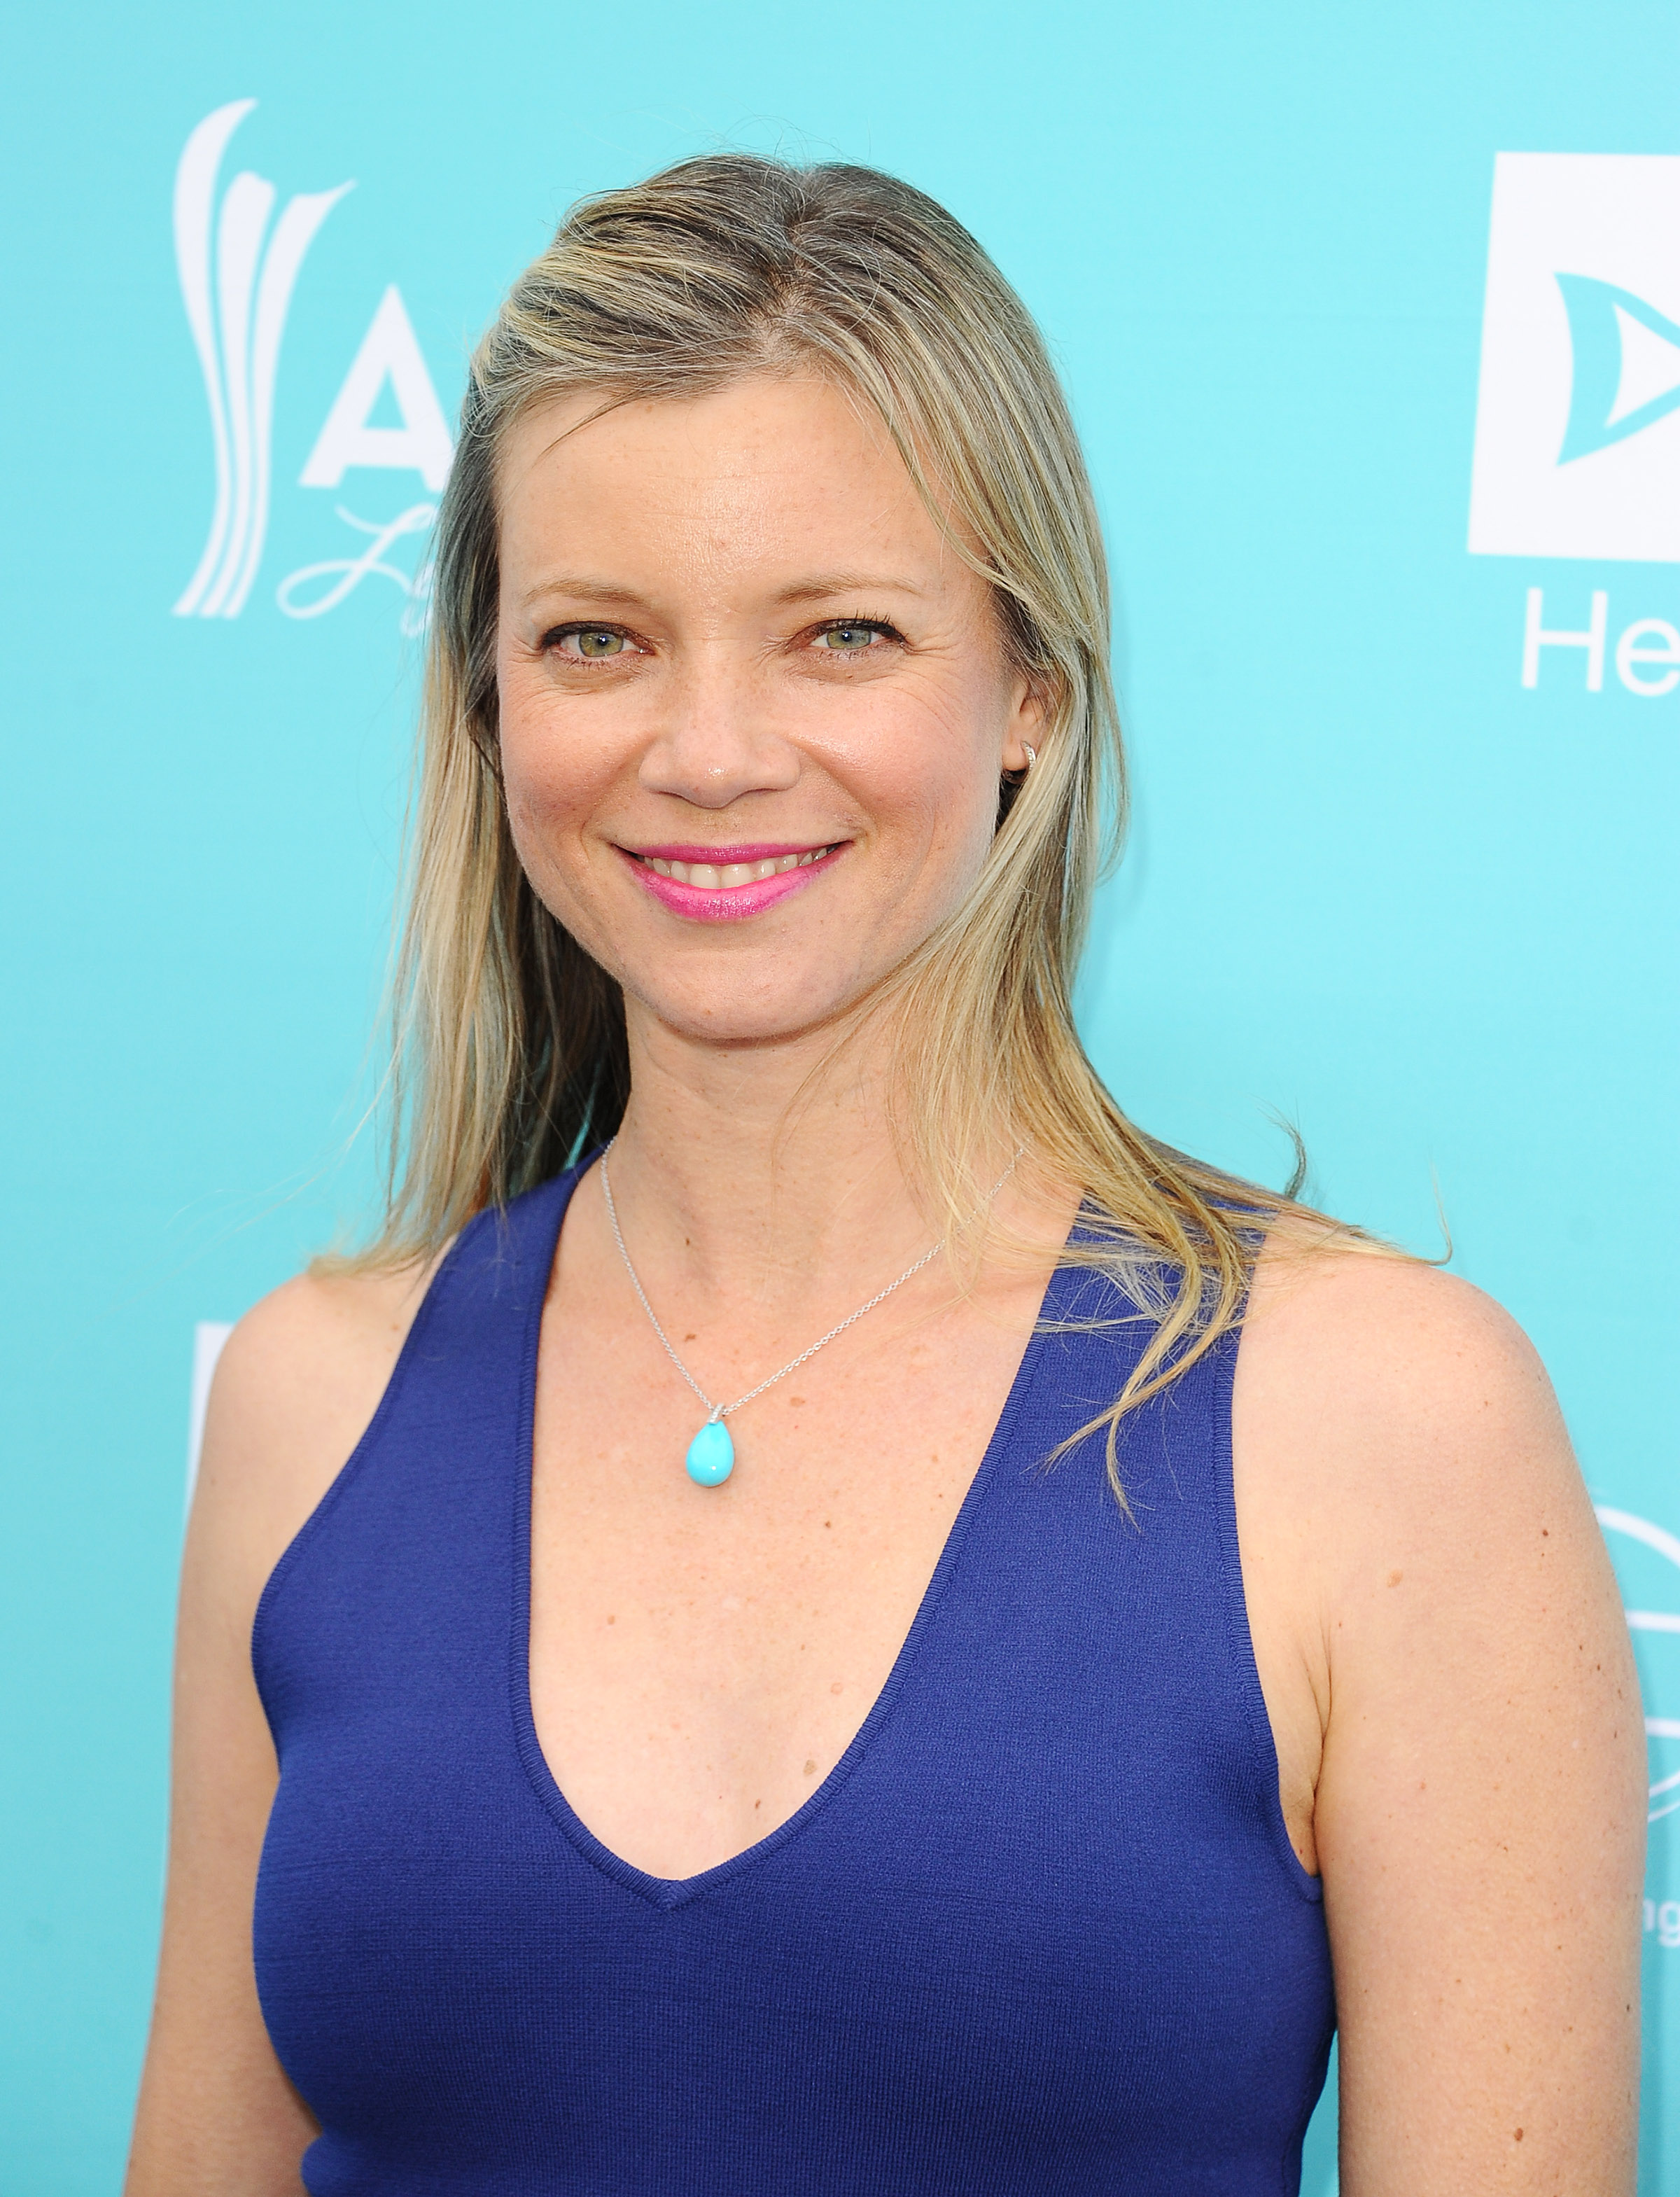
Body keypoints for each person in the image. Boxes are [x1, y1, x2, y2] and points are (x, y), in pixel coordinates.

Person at [126, 155, 1644, 2196]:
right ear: (490, 700)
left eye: (841, 633)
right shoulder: (316, 1398)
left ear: (1028, 688)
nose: (710, 750)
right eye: (597, 638)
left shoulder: (1382, 1421)